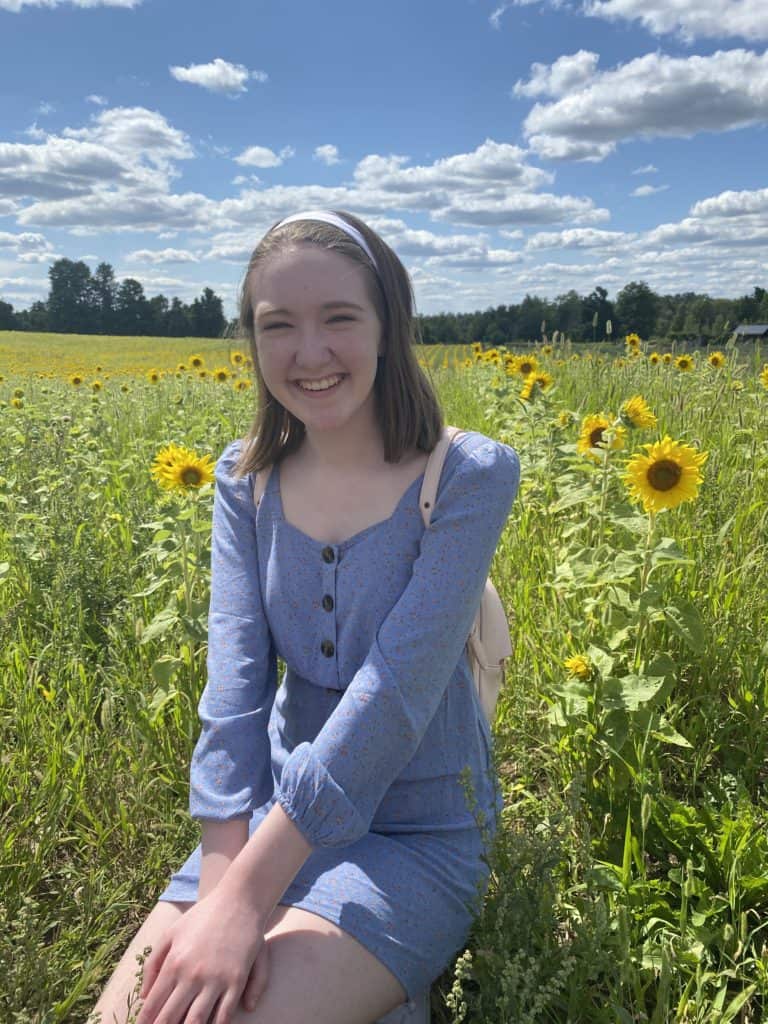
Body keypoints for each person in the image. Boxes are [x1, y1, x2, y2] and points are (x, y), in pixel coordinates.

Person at [89, 210, 521, 1024]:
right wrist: (225, 894)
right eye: (277, 324)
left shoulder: (469, 475)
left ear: (390, 324)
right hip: (265, 824)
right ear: (251, 340)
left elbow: (395, 696)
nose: (309, 352)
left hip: (418, 833)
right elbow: (235, 688)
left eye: (340, 319)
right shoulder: (243, 479)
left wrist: (249, 902)